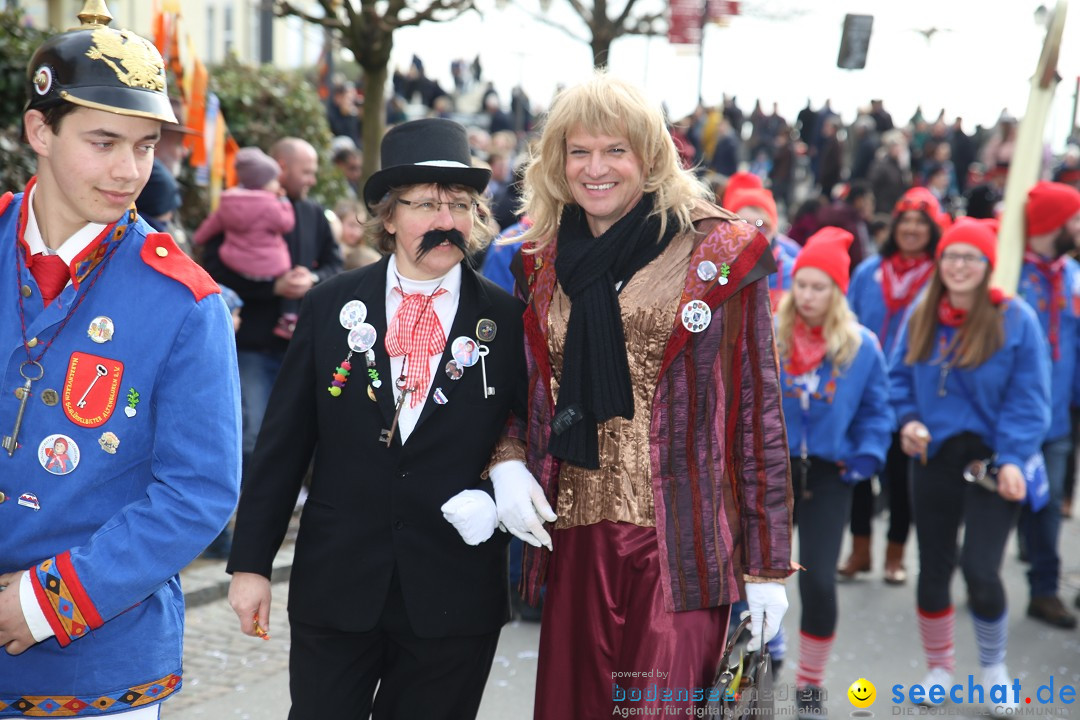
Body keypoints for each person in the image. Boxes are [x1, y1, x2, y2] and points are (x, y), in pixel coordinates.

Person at [487, 72, 792, 718]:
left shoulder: (718, 251)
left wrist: (767, 567)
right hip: (574, 537)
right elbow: (521, 391)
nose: (596, 168)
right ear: (555, 162)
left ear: (650, 156)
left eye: (614, 150)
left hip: (678, 545)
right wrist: (507, 458)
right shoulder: (539, 260)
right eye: (578, 151)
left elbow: (757, 411)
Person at [226, 118, 526, 720]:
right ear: (387, 217)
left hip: (454, 590)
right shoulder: (330, 305)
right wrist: (252, 564)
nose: (446, 222)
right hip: (337, 582)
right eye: (425, 205)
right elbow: (284, 444)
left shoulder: (509, 320)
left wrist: (502, 486)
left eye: (460, 205)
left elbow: (528, 432)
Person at [0, 3, 241, 717]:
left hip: (97, 668)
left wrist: (45, 603)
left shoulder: (185, 301)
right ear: (39, 131)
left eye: (145, 146)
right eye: (104, 142)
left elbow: (197, 491)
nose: (129, 170)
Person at [890, 219, 1050, 718]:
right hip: (934, 457)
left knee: (981, 568)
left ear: (987, 266)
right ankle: (939, 670)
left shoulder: (1014, 318)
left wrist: (1013, 458)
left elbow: (1030, 400)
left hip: (993, 461)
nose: (959, 266)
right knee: (932, 568)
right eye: (952, 256)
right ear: (941, 263)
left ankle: (993, 670)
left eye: (971, 257)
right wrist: (909, 420)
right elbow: (897, 380)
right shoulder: (921, 313)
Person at [775, 227, 893, 718]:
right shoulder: (769, 334)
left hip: (829, 474)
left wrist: (866, 454)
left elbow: (877, 409)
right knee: (754, 576)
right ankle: (752, 661)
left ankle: (810, 681)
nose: (806, 296)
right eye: (801, 284)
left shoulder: (861, 345)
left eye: (819, 287)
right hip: (771, 472)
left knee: (818, 580)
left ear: (838, 291)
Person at [201, 136, 343, 487]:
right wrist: (271, 288)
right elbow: (213, 269)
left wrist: (311, 277)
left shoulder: (313, 213)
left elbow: (335, 265)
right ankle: (242, 508)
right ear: (281, 167)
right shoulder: (236, 207)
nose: (311, 179)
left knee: (297, 430)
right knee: (252, 433)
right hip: (253, 342)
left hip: (300, 346)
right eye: (306, 172)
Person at [841, 186, 945, 584]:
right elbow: (847, 322)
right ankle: (860, 550)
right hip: (864, 388)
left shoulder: (939, 277)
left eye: (921, 222)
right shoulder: (869, 271)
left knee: (902, 480)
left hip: (910, 391)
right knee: (858, 470)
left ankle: (896, 556)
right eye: (906, 221)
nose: (913, 229)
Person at [1016, 180, 1080, 629]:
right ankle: (978, 572)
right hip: (1013, 416)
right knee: (1002, 503)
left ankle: (1045, 590)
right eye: (1073, 219)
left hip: (1058, 416)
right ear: (1052, 223)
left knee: (1049, 502)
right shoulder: (1010, 276)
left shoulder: (1072, 275)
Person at [194, 147, 297, 339]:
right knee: (291, 277)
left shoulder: (228, 202)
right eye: (274, 180)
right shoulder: (271, 205)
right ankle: (288, 317)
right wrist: (284, 201)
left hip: (236, 263)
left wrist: (197, 239)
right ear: (264, 183)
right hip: (270, 267)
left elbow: (209, 227)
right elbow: (287, 224)